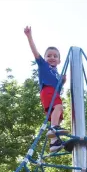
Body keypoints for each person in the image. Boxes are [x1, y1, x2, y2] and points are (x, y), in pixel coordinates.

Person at [24, 25, 68, 153]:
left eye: (55, 56)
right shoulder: (43, 65)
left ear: (59, 61)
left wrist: (63, 82)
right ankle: (53, 128)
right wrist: (29, 36)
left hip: (53, 92)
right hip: (47, 91)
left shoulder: (57, 74)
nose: (52, 58)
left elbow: (58, 86)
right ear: (45, 58)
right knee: (58, 107)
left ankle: (54, 143)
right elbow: (35, 52)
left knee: (59, 116)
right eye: (49, 55)